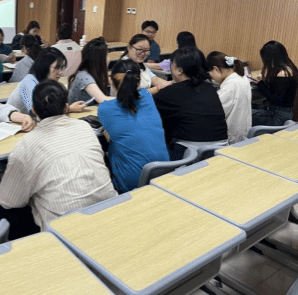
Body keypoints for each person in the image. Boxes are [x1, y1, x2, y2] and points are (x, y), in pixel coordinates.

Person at [0, 80, 117, 239]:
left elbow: (8, 201)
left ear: (33, 110)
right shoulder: (84, 127)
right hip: (110, 209)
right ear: (66, 107)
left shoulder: (27, 143)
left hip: (65, 228)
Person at [98, 59, 169, 193]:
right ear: (139, 81)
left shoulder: (104, 109)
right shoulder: (147, 96)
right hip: (163, 174)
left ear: (111, 82)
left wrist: (112, 137)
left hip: (132, 185)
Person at [153, 47, 228, 160]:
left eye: (171, 64)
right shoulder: (210, 88)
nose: (170, 67)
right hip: (220, 149)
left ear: (179, 70)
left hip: (190, 153)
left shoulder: (168, 93)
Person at [6, 47, 86, 115]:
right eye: (57, 68)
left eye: (62, 68)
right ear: (45, 66)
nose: (61, 72)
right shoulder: (29, 82)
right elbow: (36, 113)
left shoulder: (49, 82)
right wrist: (69, 108)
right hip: (15, 123)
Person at [207, 52, 252, 144]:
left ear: (216, 69)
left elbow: (213, 113)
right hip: (243, 134)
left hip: (231, 139)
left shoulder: (229, 87)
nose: (212, 79)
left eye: (210, 75)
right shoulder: (242, 78)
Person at [252, 41, 298, 126]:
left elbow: (276, 99)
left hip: (277, 116)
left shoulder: (282, 74)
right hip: (283, 113)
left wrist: (261, 84)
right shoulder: (290, 69)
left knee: (243, 114)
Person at [68, 37, 113, 104]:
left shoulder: (91, 73)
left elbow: (111, 81)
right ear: (99, 60)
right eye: (107, 56)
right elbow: (103, 100)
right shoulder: (84, 77)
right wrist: (126, 98)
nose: (109, 59)